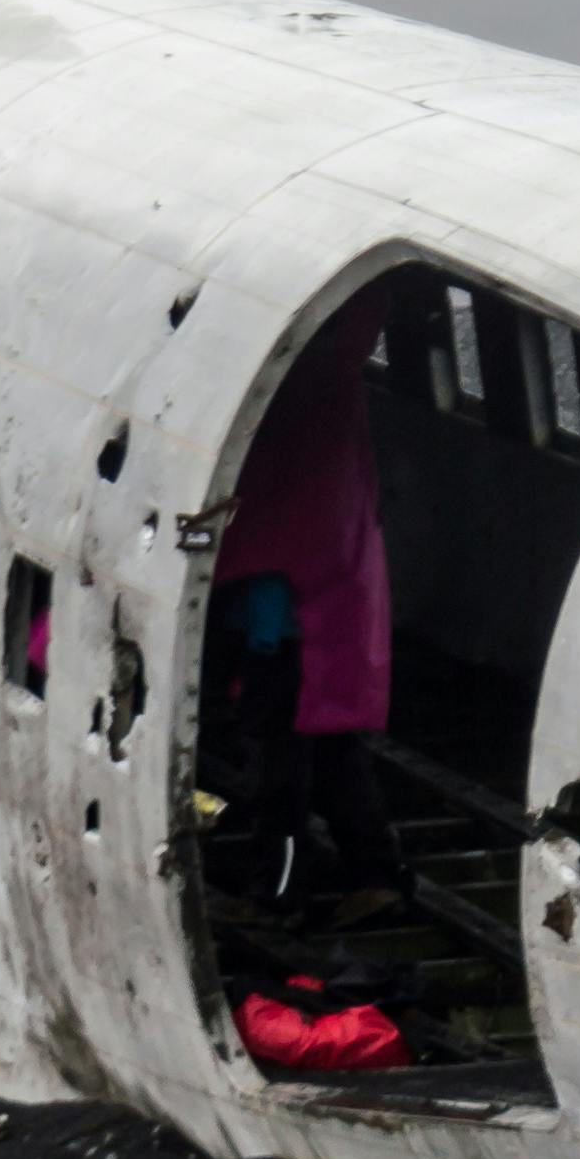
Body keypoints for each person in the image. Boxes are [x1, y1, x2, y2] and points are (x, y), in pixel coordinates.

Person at [198, 298, 404, 909]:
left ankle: (279, 888)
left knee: (278, 764)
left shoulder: (282, 397)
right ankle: (376, 874)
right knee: (336, 751)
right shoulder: (335, 387)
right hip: (322, 616)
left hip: (285, 628)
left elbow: (261, 517)